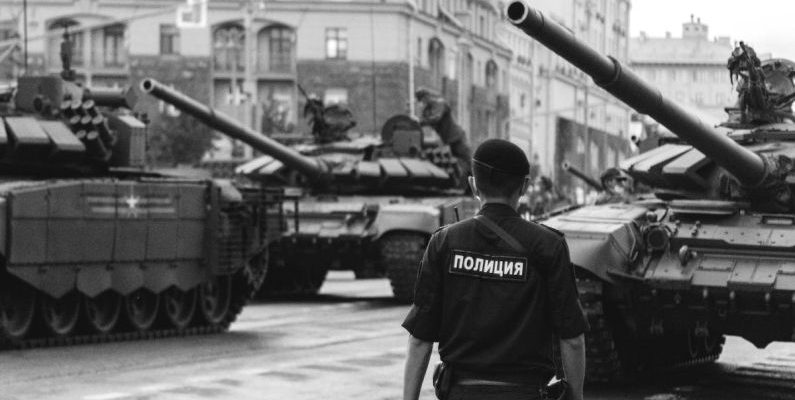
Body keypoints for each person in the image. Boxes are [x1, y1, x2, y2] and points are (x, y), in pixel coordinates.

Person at [402, 138, 588, 400]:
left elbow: (420, 338)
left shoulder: (444, 242)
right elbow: (572, 339)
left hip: (460, 392)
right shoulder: (548, 245)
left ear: (473, 184)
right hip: (525, 393)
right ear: (524, 186)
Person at [415, 88, 472, 179]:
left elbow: (436, 117)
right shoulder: (427, 110)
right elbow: (421, 122)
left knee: (468, 161)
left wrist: (421, 121)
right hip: (447, 140)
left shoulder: (440, 103)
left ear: (428, 96)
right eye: (421, 100)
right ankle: (465, 185)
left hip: (457, 137)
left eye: (423, 98)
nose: (423, 102)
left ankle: (480, 184)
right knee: (456, 164)